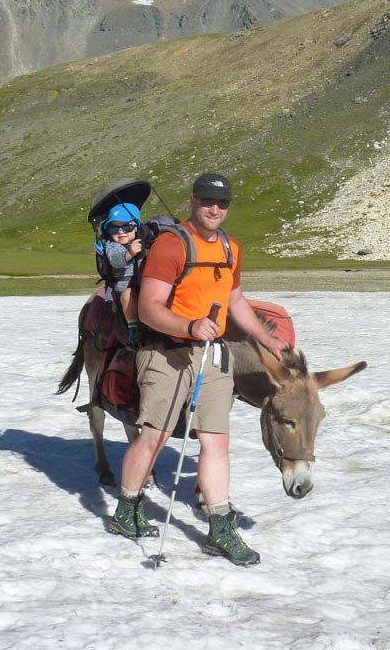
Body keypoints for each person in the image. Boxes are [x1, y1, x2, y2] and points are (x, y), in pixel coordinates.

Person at [109, 172, 290, 567]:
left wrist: (266, 339)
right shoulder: (172, 247)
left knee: (216, 441)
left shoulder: (231, 248)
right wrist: (188, 326)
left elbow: (236, 301)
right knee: (154, 437)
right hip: (167, 352)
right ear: (192, 201)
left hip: (212, 356)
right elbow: (149, 307)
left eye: (222, 203)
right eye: (207, 201)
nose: (214, 209)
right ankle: (128, 508)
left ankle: (219, 528)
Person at [102, 203, 142, 347]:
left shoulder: (143, 241)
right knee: (128, 295)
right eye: (114, 228)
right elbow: (116, 260)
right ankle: (133, 331)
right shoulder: (112, 246)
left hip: (145, 286)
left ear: (136, 227)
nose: (121, 231)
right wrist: (129, 253)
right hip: (123, 290)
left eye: (127, 227)